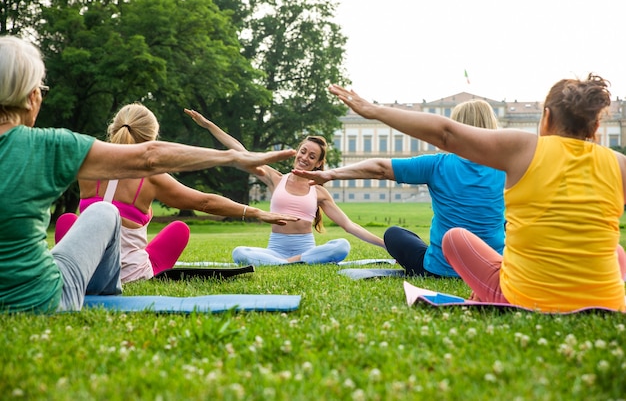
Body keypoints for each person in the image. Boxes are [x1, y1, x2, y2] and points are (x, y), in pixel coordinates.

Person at [0, 35, 296, 313]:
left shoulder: (64, 153)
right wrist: (235, 158)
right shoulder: (49, 145)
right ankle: (108, 289)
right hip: (38, 297)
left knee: (84, 217)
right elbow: (151, 158)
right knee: (105, 213)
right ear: (31, 97)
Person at [328, 76, 626, 313]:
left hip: (522, 295)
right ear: (597, 124)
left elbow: (446, 134)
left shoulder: (524, 149)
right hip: (608, 300)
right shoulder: (619, 164)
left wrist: (373, 111)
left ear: (545, 118)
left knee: (453, 238)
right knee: (617, 252)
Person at [55, 103, 299, 283]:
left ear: (113, 129)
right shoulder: (151, 178)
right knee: (179, 230)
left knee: (69, 221)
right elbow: (205, 202)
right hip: (131, 276)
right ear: (153, 140)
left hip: (85, 270)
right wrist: (255, 212)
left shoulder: (87, 165)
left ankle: (80, 267)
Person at [293, 99, 505, 277]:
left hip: (440, 269)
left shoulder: (438, 164)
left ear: (455, 127)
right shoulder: (507, 166)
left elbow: (380, 168)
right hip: (491, 271)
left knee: (395, 234)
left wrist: (331, 174)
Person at [184, 109, 386, 266]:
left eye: (312, 156)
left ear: (318, 163)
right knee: (239, 253)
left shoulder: (319, 192)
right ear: (297, 151)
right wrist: (209, 125)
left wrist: (386, 245)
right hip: (274, 251)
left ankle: (289, 262)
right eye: (303, 152)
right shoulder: (276, 179)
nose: (305, 158)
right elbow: (242, 151)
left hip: (306, 249)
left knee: (342, 246)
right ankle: (288, 262)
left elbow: (349, 226)